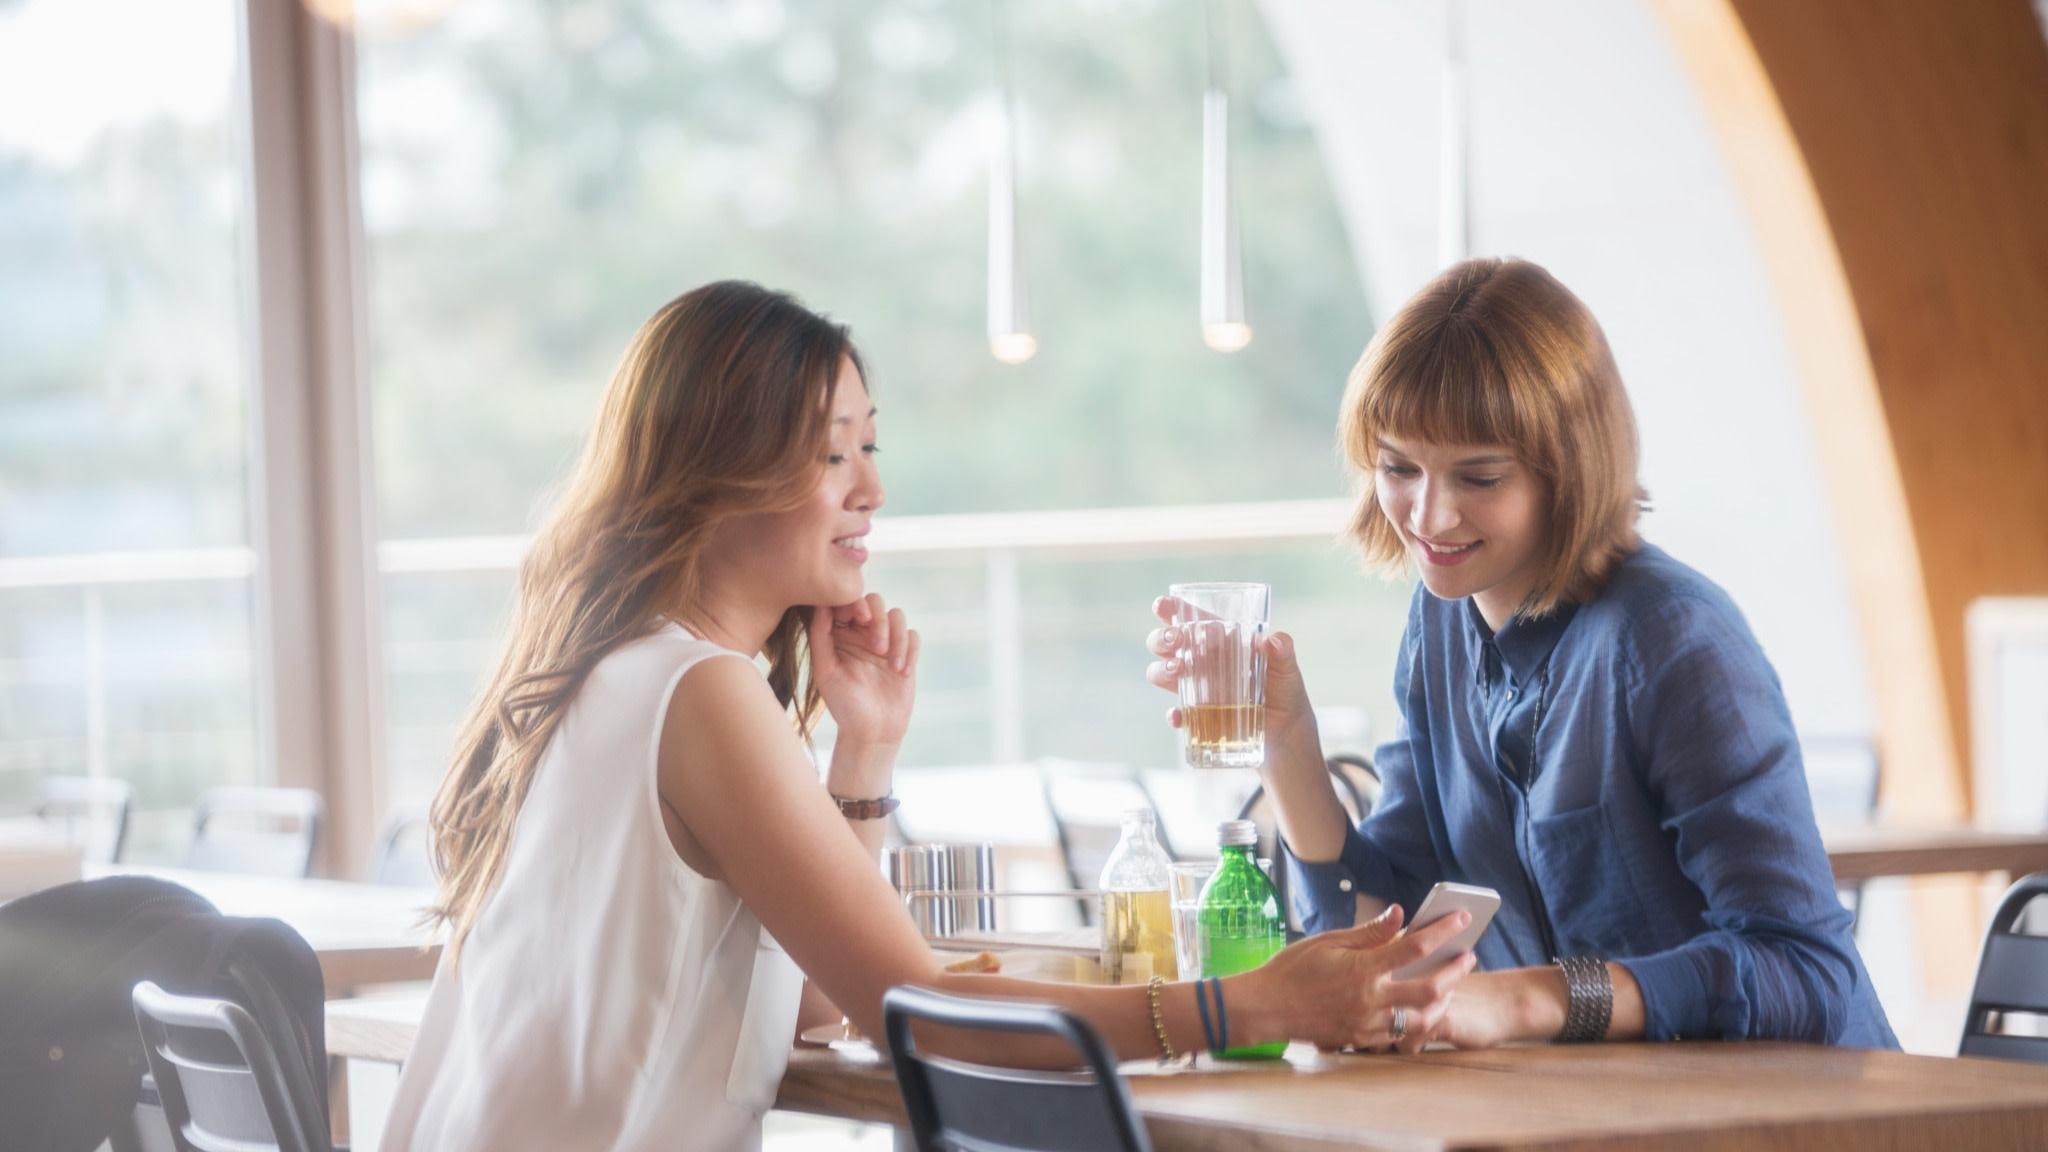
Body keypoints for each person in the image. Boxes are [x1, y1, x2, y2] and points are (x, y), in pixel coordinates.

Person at [380, 281, 1478, 1152]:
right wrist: (1243, 1007)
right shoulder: (699, 692)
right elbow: (920, 1016)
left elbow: (808, 998)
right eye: (830, 453)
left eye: (871, 445)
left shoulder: (624, 666)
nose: (870, 490)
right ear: (715, 474)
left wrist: (864, 751)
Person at [1146, 257, 1897, 1051]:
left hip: (1800, 1119)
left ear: (1566, 471)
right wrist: (1288, 745)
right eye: (1399, 467)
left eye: (1478, 477)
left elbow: (1803, 970)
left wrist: (1526, 1000)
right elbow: (1387, 935)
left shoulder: (1671, 639)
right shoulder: (1439, 628)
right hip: (1608, 1115)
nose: (1428, 515)